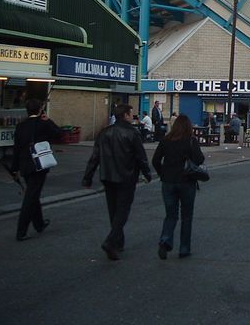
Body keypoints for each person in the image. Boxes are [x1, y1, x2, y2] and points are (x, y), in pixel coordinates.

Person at [82, 104, 152, 260]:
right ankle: (111, 241)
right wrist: (147, 173)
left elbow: (95, 157)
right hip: (126, 176)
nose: (133, 117)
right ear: (126, 115)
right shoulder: (132, 133)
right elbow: (140, 157)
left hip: (107, 176)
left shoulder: (104, 132)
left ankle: (119, 242)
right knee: (122, 211)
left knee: (113, 210)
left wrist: (87, 177)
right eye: (131, 114)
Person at [10, 98, 63, 241]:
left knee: (33, 193)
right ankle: (21, 231)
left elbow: (16, 148)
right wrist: (48, 120)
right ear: (41, 110)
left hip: (25, 165)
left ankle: (39, 223)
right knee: (31, 197)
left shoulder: (21, 126)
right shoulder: (43, 124)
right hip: (39, 164)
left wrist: (15, 169)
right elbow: (59, 134)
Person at [152, 114, 204, 259]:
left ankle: (165, 240)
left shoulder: (166, 140)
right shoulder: (191, 141)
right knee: (186, 216)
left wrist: (162, 173)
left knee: (170, 215)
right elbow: (200, 159)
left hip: (168, 181)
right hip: (186, 181)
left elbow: (156, 160)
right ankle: (184, 248)